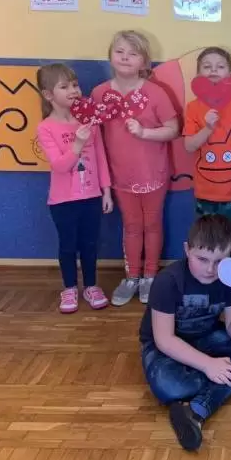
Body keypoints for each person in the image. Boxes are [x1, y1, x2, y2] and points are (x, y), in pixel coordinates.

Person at [139, 214, 231, 452]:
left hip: (206, 338)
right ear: (187, 249)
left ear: (230, 254)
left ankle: (197, 410)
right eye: (202, 259)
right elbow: (164, 340)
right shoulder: (167, 281)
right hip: (165, 348)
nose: (210, 269)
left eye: (219, 261)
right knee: (170, 388)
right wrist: (207, 365)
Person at [93, 31, 179, 306]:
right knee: (131, 226)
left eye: (133, 53)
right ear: (110, 56)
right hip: (119, 176)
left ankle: (150, 276)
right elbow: (94, 137)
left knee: (152, 224)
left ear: (144, 61)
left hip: (153, 173)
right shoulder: (99, 93)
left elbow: (173, 129)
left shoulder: (156, 92)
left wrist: (144, 133)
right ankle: (132, 276)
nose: (125, 57)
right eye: (119, 51)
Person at [36, 63, 113, 313]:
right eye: (64, 86)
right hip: (63, 201)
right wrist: (78, 143)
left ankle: (91, 286)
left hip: (91, 197)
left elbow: (100, 157)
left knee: (90, 244)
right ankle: (69, 288)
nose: (73, 90)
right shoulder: (46, 127)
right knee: (68, 246)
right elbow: (60, 166)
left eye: (75, 84)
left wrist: (106, 191)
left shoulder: (89, 121)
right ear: (48, 94)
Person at [184, 47, 231, 258]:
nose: (213, 70)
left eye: (220, 66)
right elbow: (189, 146)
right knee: (207, 245)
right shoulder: (193, 108)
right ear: (198, 74)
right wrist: (207, 127)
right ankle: (210, 276)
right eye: (207, 66)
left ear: (230, 74)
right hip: (205, 193)